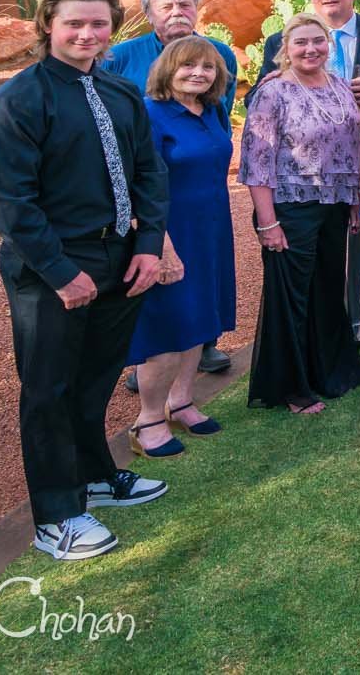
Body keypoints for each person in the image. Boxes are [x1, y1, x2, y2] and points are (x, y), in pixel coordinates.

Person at [0, 0, 169, 561]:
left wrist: (149, 245)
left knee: (95, 375)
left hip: (121, 255)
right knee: (50, 388)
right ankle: (56, 517)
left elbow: (149, 173)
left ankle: (95, 477)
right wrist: (61, 272)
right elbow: (8, 200)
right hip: (51, 265)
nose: (87, 35)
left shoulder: (119, 92)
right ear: (47, 26)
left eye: (98, 25)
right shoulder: (17, 101)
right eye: (73, 25)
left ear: (112, 28)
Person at [250, 0, 360, 361]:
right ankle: (307, 355)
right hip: (301, 180)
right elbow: (260, 107)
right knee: (306, 272)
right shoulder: (281, 40)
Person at [103, 0, 238, 377]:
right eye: (167, 6)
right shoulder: (122, 58)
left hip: (207, 202)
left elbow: (218, 117)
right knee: (162, 290)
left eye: (185, 4)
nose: (178, 12)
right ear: (148, 14)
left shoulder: (220, 56)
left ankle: (201, 347)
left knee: (202, 284)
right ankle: (149, 364)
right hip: (161, 204)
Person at [240, 11, 360, 413]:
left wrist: (353, 201)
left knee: (327, 290)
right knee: (290, 297)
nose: (310, 48)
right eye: (301, 42)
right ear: (286, 49)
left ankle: (330, 370)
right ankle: (291, 388)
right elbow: (256, 161)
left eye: (318, 41)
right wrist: (268, 221)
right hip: (290, 207)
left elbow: (351, 149)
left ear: (328, 46)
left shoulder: (339, 86)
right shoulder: (272, 92)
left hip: (333, 205)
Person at [126, 36, 238, 456]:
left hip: (210, 229)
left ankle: (182, 401)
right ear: (167, 70)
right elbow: (140, 184)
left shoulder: (212, 110)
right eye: (188, 65)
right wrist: (160, 245)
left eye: (207, 67)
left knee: (201, 319)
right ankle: (148, 419)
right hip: (169, 231)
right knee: (168, 325)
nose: (198, 73)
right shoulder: (150, 115)